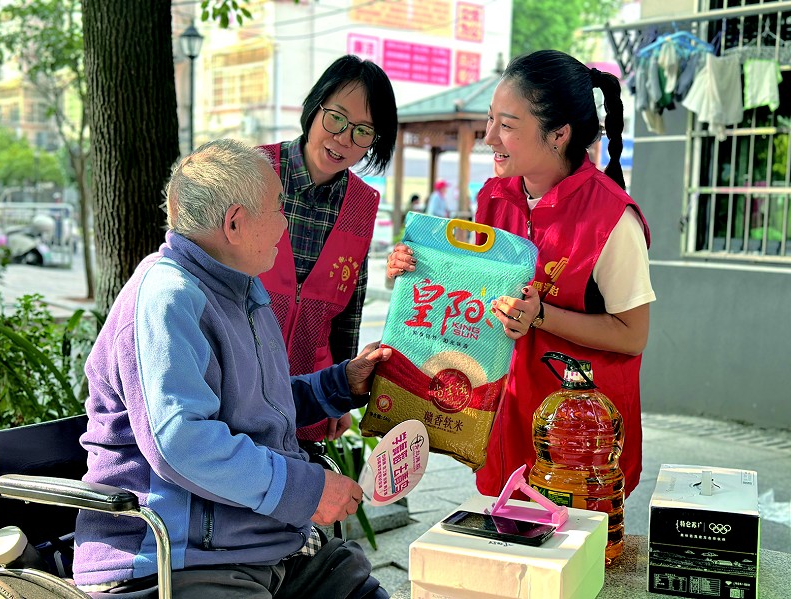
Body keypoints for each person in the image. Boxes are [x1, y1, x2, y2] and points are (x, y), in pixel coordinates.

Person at [73, 139, 392, 599]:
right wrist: (307, 491)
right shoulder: (168, 297)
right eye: (279, 208)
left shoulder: (242, 293)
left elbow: (262, 405)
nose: (286, 222)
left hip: (259, 546)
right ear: (235, 223)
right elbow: (181, 442)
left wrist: (341, 383)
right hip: (174, 560)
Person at [386, 50, 655, 499]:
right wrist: (417, 272)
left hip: (578, 443)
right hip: (503, 426)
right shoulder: (493, 199)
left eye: (506, 125)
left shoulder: (611, 218)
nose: (489, 136)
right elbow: (469, 300)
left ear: (559, 135)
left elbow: (633, 336)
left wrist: (542, 316)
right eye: (491, 120)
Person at [259, 55, 398, 443]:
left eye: (363, 131)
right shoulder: (254, 171)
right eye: (336, 118)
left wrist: (340, 397)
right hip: (238, 384)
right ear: (314, 107)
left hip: (312, 389)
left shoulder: (362, 204)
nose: (342, 139)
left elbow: (350, 308)